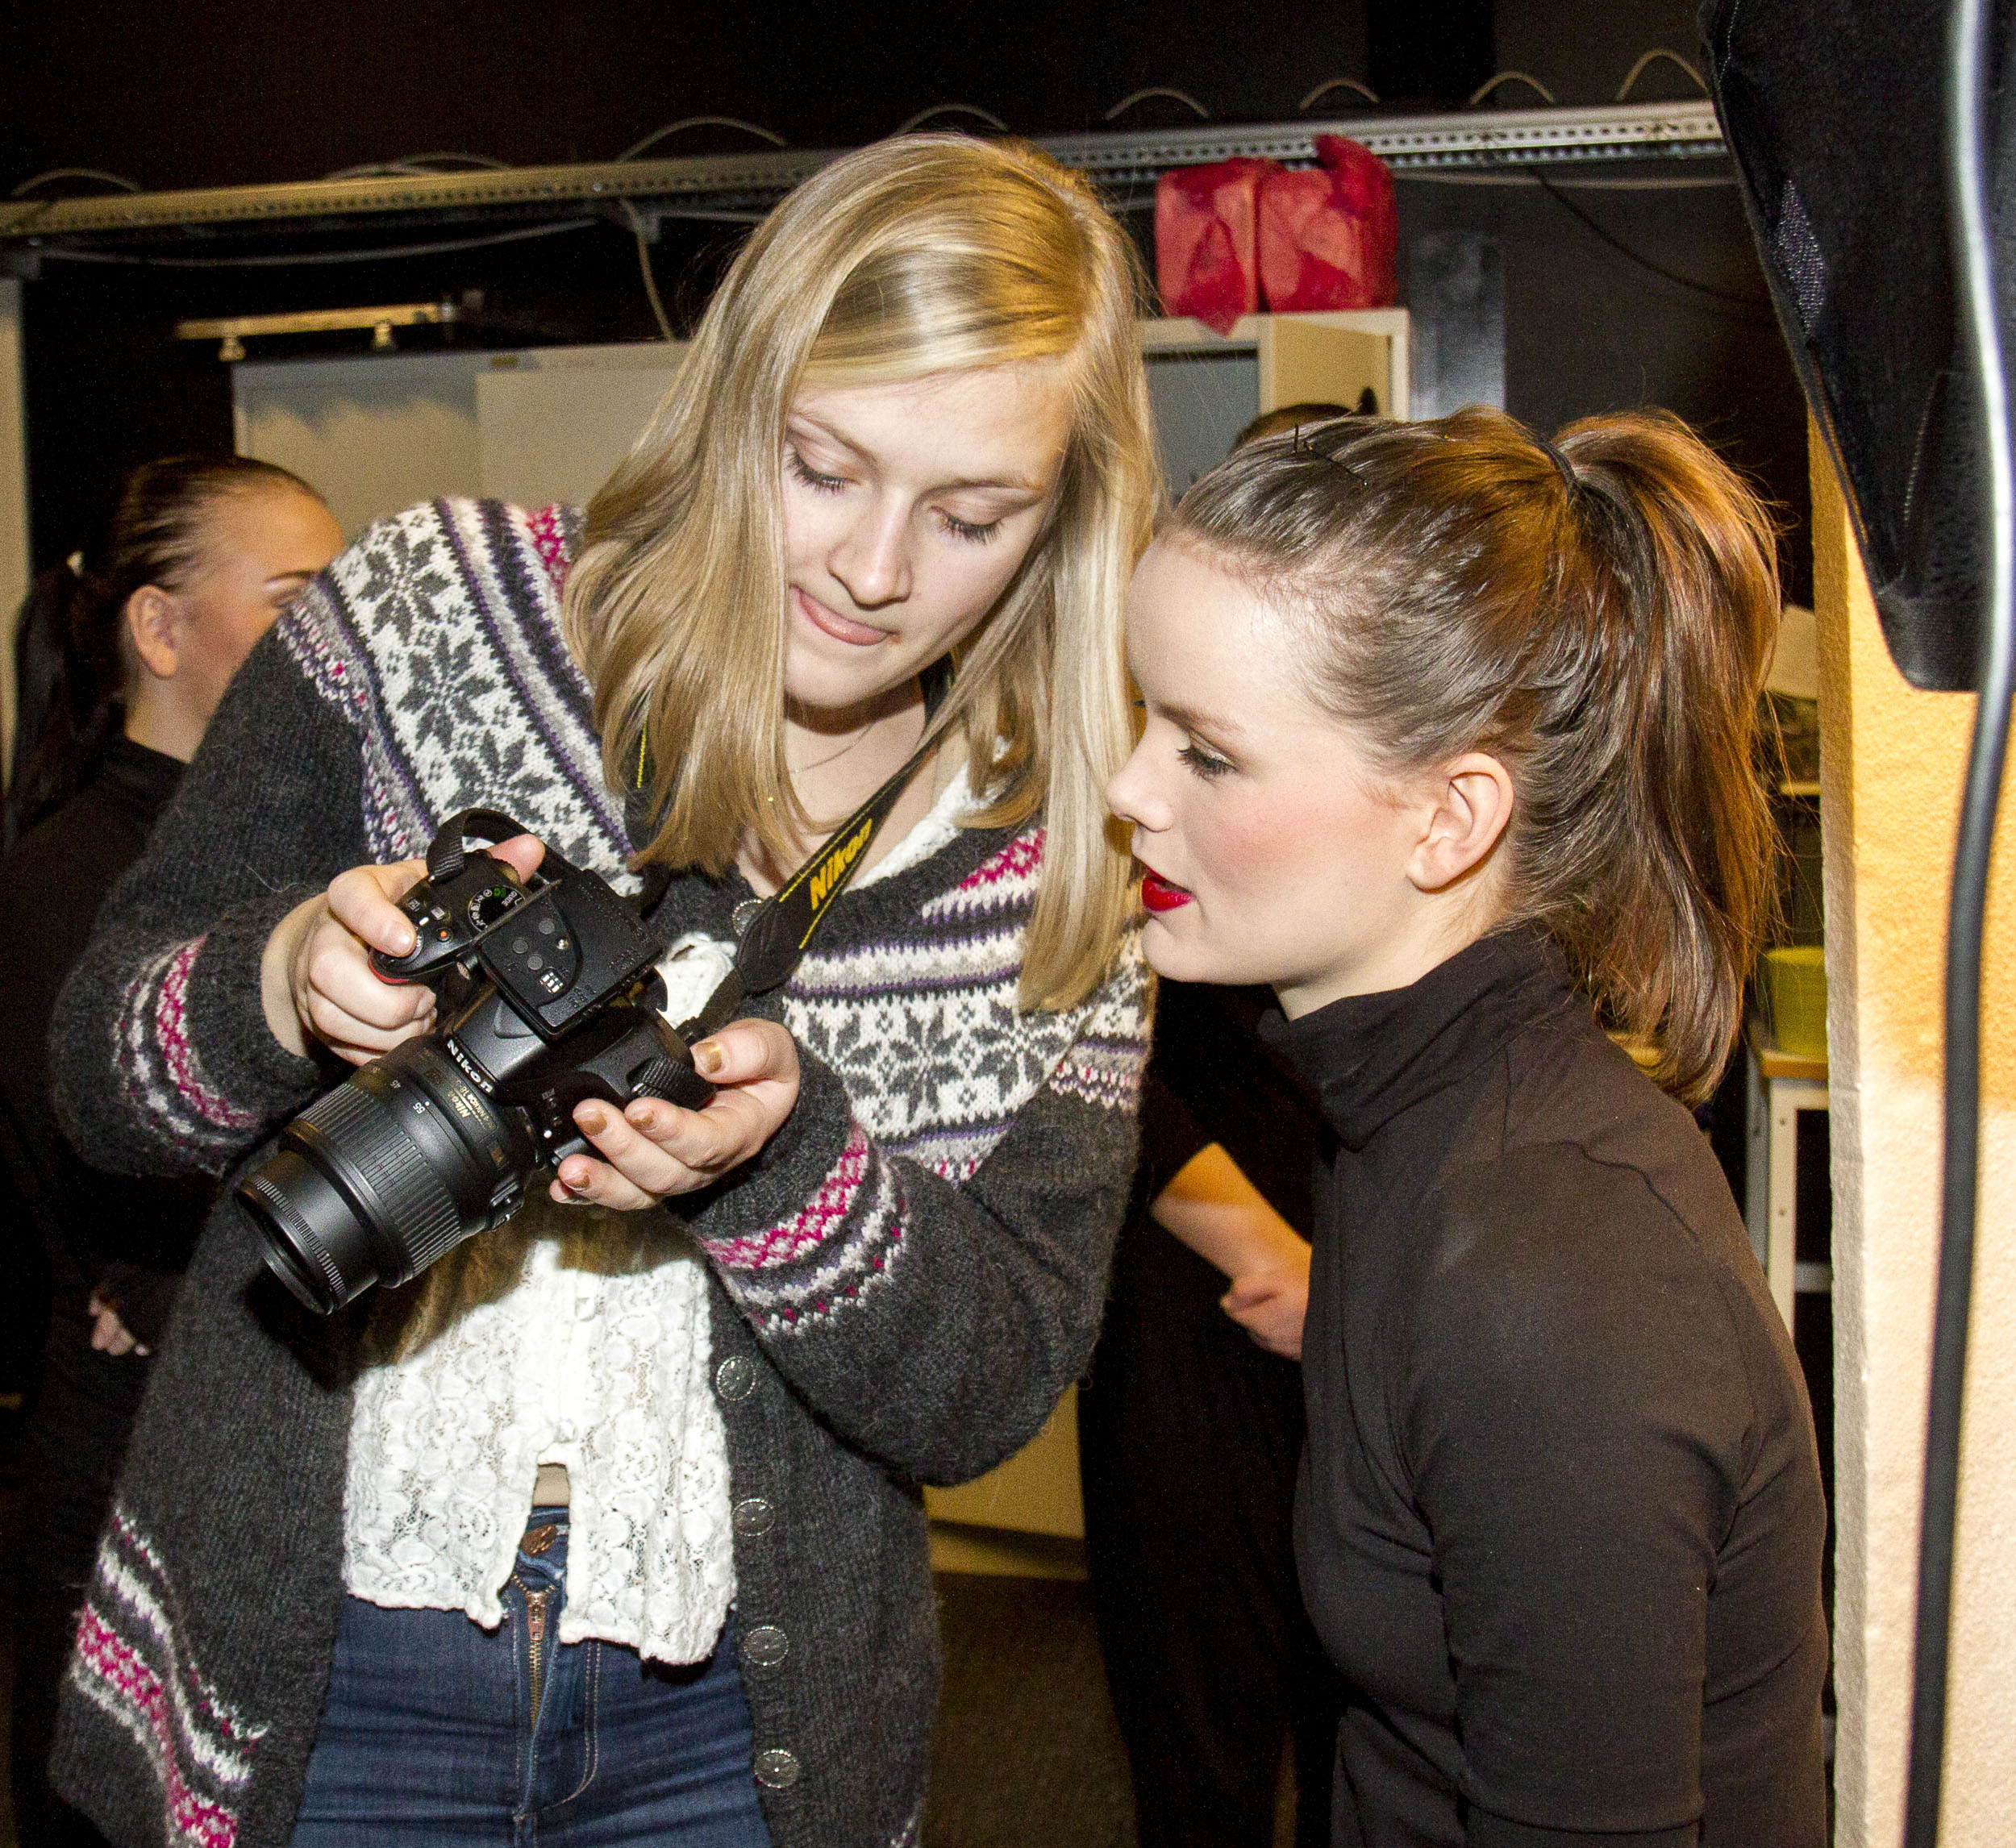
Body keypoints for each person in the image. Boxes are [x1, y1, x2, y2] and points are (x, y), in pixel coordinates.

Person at [45, 135, 1158, 1848]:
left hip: (735, 1729)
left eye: (969, 517)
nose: (874, 570)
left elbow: (991, 1390)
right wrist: (279, 984)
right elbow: (98, 1084)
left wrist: (779, 1172)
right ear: (733, 400)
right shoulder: (428, 617)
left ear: (1063, 517)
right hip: (325, 1665)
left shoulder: (1057, 863)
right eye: (822, 468)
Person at [1106, 407, 1827, 1846]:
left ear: (1449, 821)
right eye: (1143, 722)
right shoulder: (1397, 1124)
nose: (1129, 788)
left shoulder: (1549, 1274)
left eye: (1208, 754)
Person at [0, 456, 340, 1848]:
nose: (336, 639)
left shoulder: (328, 858)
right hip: (128, 1469)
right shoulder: (67, 878)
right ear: (158, 627)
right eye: (297, 603)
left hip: (279, 1456)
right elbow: (108, 1205)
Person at [1078, 398, 1350, 1848]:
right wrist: (1266, 1255)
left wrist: (1349, 1285)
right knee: (1202, 1741)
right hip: (1196, 1298)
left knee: (1362, 1725)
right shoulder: (1139, 755)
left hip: (1349, 1292)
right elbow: (1102, 1057)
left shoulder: (1352, 744)